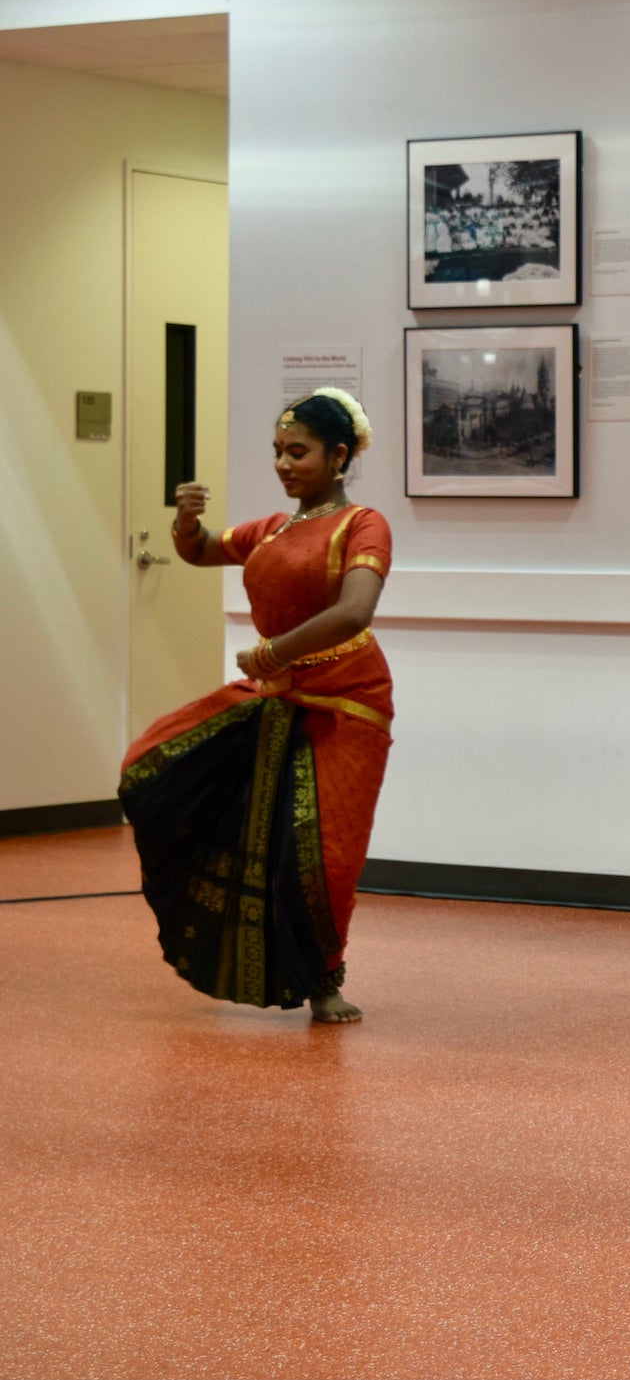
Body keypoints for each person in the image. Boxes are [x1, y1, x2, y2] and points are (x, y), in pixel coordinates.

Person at [119, 388, 392, 1025]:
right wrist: (184, 522)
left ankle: (325, 983)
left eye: (298, 451)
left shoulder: (363, 525)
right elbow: (201, 549)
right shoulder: (272, 529)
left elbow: (355, 611)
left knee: (323, 853)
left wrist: (275, 652)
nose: (283, 463)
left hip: (346, 703)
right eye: (277, 452)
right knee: (152, 765)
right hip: (273, 696)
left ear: (339, 456)